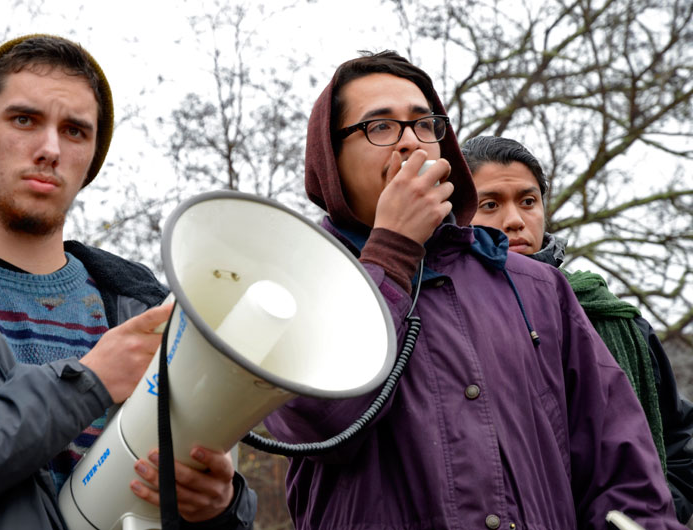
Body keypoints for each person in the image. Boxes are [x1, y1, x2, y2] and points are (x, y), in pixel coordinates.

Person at [262, 50, 684, 529]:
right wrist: (393, 251)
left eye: (424, 124)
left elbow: (623, 473)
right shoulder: (292, 290)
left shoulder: (537, 287)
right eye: (379, 127)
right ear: (329, 158)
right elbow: (317, 424)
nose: (409, 143)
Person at [0, 34, 255, 529]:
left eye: (75, 131)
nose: (49, 149)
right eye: (24, 120)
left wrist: (221, 506)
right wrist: (88, 383)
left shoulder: (138, 307)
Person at [463, 134, 693, 525]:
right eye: (490, 204)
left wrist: (647, 507)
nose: (516, 219)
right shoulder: (437, 318)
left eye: (528, 201)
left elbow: (680, 443)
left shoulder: (611, 317)